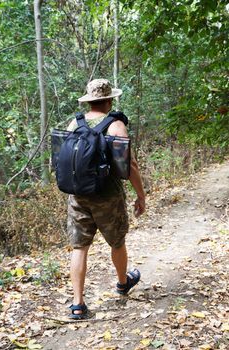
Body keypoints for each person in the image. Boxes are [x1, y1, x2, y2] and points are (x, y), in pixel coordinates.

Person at [67, 79, 146, 319]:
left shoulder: (74, 123)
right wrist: (140, 195)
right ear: (110, 100)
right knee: (117, 241)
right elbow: (129, 165)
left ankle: (78, 304)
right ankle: (123, 283)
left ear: (89, 100)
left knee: (79, 247)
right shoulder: (115, 125)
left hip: (77, 194)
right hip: (107, 195)